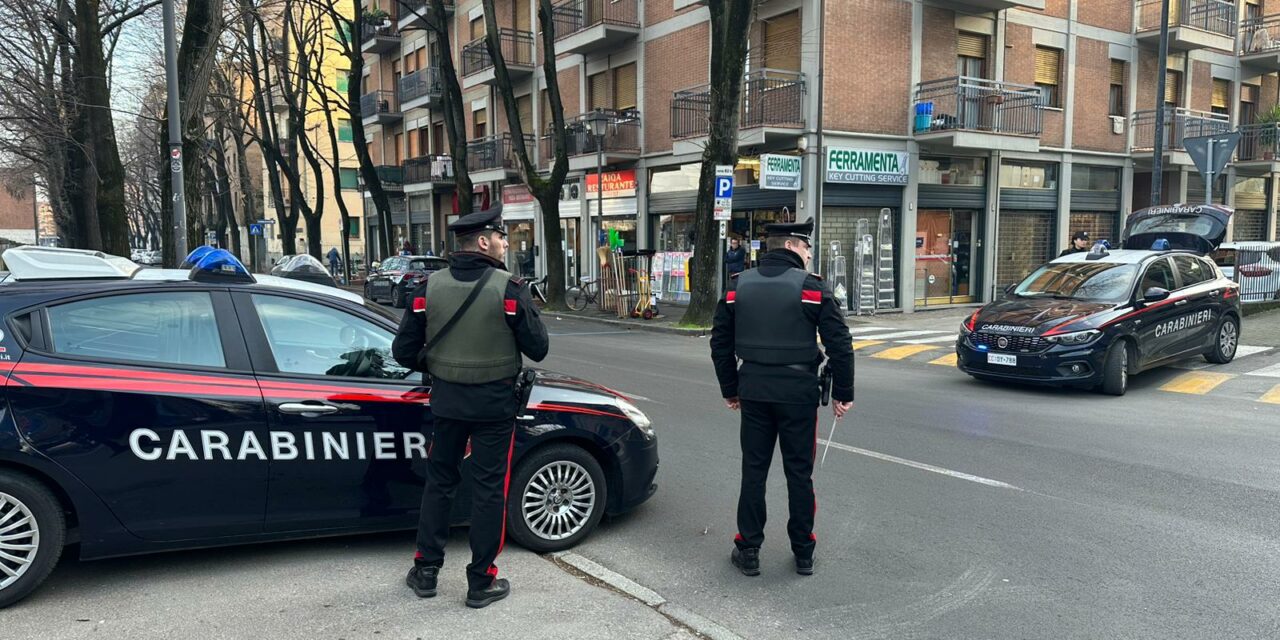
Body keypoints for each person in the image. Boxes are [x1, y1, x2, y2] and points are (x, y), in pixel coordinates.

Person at [391, 205, 549, 609]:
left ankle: (426, 571)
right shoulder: (510, 288)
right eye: (500, 237)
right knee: (489, 490)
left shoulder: (429, 287)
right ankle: (481, 581)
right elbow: (538, 348)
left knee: (439, 483)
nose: (503, 243)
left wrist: (441, 367)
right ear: (483, 242)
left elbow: (404, 350)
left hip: (446, 404)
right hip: (494, 408)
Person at [709, 219, 855, 578]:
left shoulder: (736, 288)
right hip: (798, 396)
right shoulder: (811, 289)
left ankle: (749, 549)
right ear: (792, 246)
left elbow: (720, 345)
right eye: (807, 248)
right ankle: (803, 552)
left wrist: (730, 389)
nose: (809, 255)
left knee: (753, 472)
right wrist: (843, 394)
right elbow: (840, 343)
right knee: (799, 475)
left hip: (754, 392)